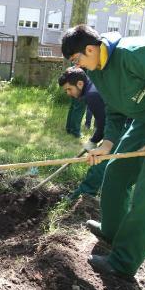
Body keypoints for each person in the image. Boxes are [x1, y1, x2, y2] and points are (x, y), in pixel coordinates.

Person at [61, 24, 145, 279]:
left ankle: (123, 262)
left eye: (78, 60)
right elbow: (115, 107)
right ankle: (112, 230)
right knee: (116, 172)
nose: (79, 67)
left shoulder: (138, 53)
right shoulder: (96, 68)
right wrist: (108, 144)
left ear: (90, 48)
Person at [58, 66, 108, 199]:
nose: (68, 93)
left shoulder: (92, 95)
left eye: (69, 89)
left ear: (80, 84)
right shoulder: (92, 87)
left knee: (99, 163)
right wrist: (94, 141)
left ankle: (82, 196)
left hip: (124, 126)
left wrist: (93, 141)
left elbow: (104, 125)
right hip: (117, 126)